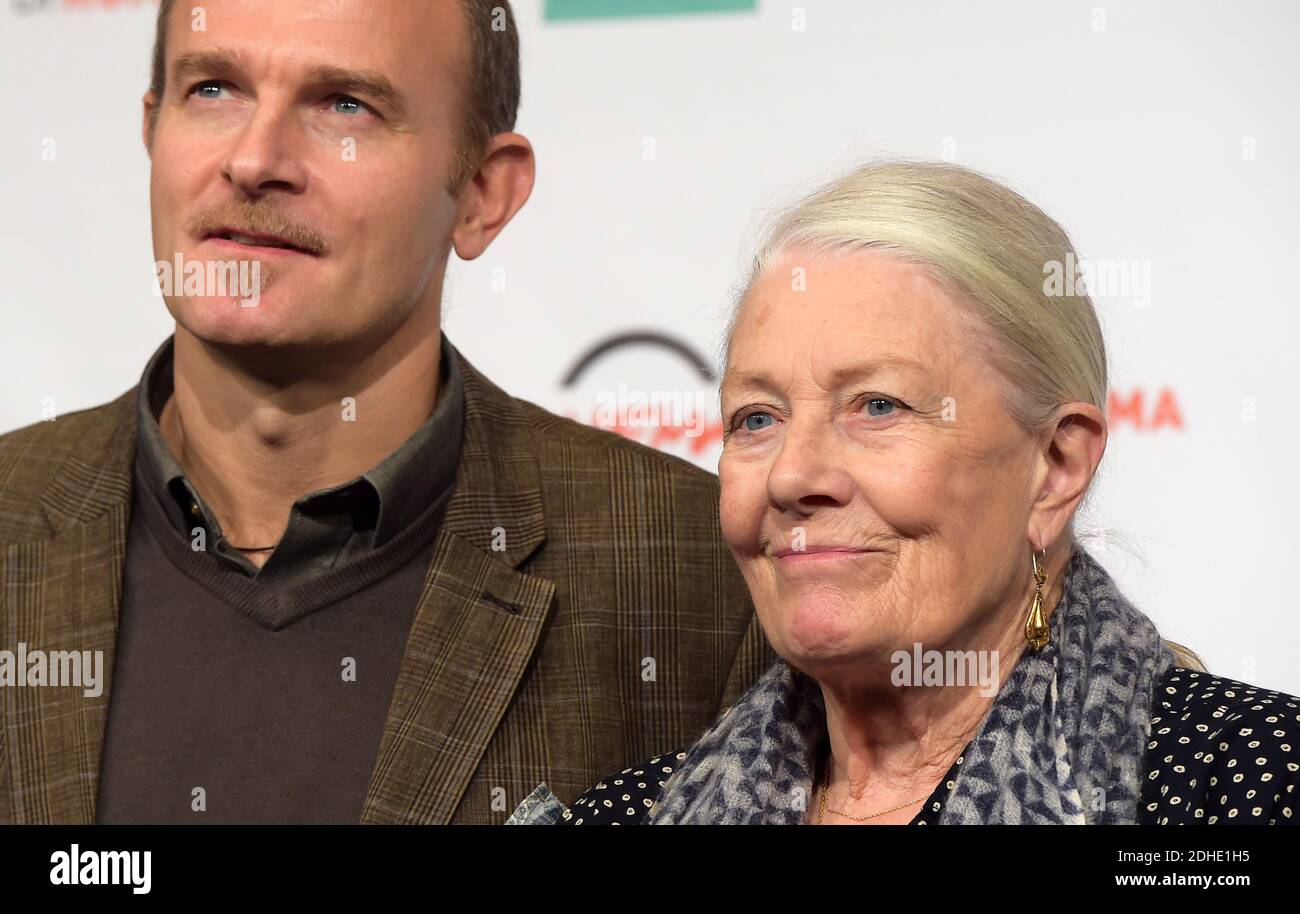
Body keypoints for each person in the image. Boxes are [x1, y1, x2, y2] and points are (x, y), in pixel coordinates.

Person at [0, 0, 774, 825]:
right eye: (215, 88)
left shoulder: (700, 579)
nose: (254, 160)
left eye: (345, 105)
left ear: (483, 192)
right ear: (152, 128)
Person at [509, 159, 1300, 825]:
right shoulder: (620, 816)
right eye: (757, 418)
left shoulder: (1245, 788)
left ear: (1055, 467)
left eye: (878, 406)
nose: (792, 476)